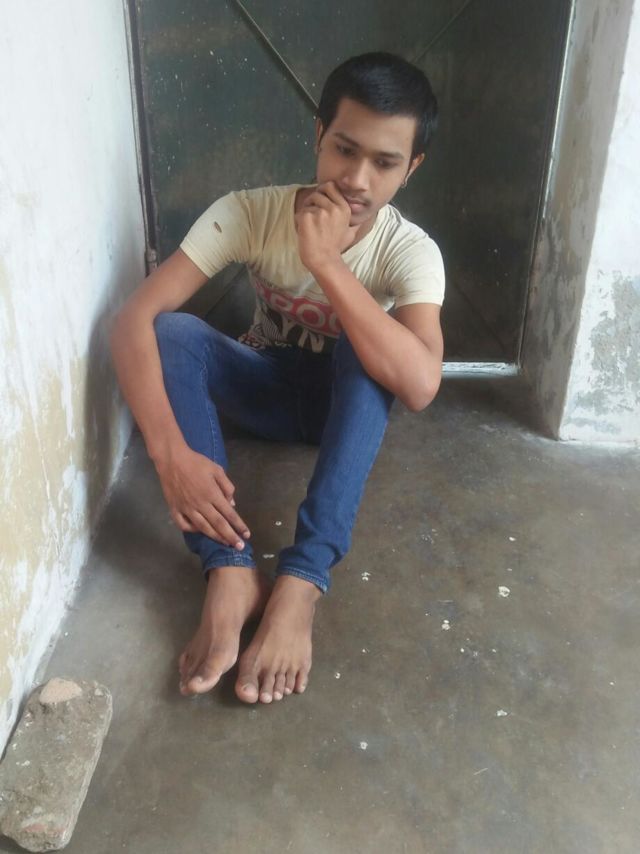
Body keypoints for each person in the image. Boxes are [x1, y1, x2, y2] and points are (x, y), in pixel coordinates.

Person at [110, 52, 445, 705]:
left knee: (374, 349)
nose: (356, 179)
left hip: (341, 410)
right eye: (344, 149)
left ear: (411, 168)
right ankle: (229, 571)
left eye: (384, 163)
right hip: (260, 387)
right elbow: (132, 322)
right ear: (318, 134)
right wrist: (169, 455)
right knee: (174, 333)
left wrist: (325, 262)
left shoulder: (410, 250)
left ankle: (302, 581)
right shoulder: (251, 213)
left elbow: (421, 384)